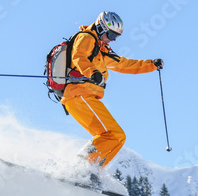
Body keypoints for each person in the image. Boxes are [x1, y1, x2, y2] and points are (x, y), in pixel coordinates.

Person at [61, 11, 163, 168]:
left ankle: (91, 171)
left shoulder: (101, 50)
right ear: (101, 28)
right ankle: (80, 167)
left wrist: (151, 65)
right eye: (110, 35)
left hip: (86, 98)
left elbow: (123, 64)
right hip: (79, 95)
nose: (112, 40)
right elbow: (78, 56)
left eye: (115, 37)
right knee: (113, 134)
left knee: (117, 136)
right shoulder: (87, 38)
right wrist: (92, 72)